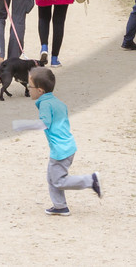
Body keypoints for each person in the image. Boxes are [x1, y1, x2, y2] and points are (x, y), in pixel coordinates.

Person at [28, 67, 101, 216]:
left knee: (58, 181)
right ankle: (60, 206)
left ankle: (90, 181)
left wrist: (22, 125)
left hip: (60, 151)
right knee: (52, 177)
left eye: (29, 86)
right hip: (67, 146)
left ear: (40, 90)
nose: (28, 89)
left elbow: (45, 123)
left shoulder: (45, 104)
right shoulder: (58, 102)